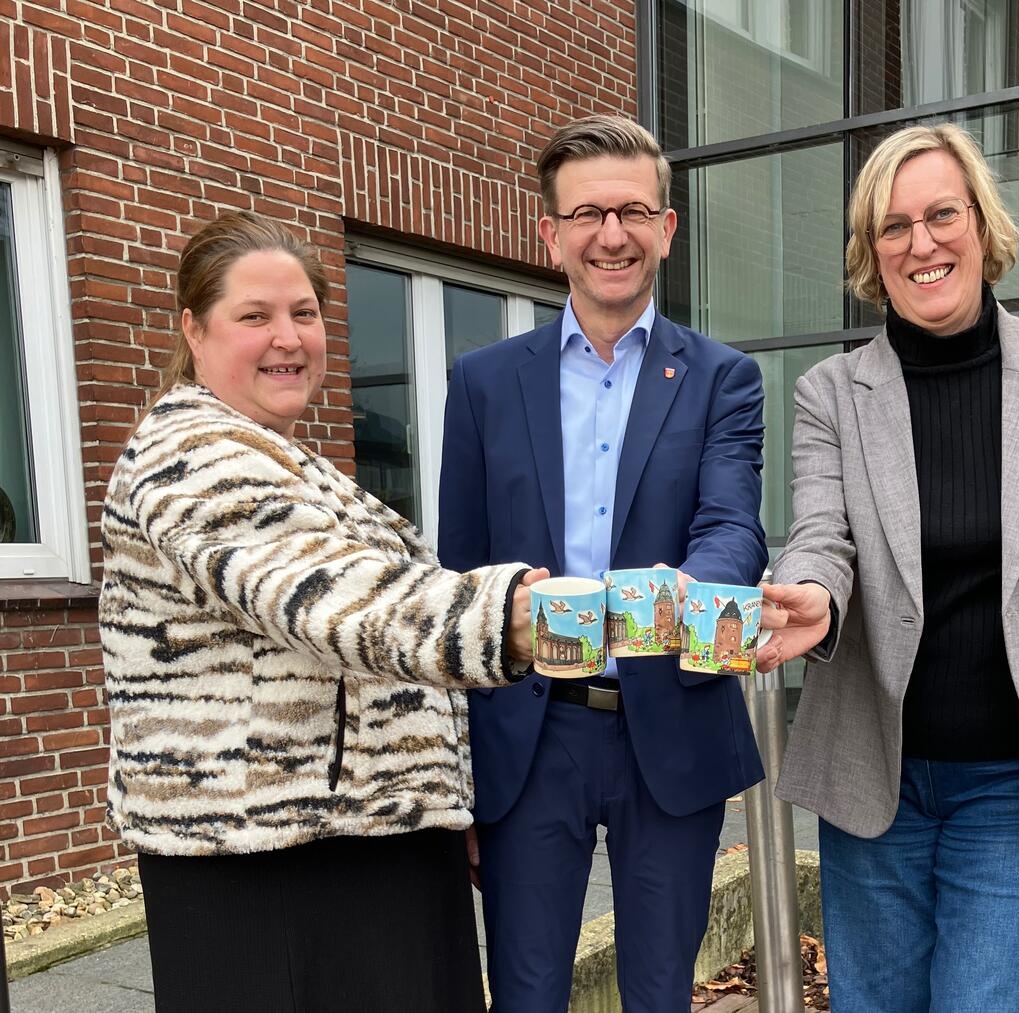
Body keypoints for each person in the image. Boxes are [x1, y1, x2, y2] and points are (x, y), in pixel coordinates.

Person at [756, 123, 1019, 1013]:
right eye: (893, 226)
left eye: (941, 214)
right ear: (872, 252)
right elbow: (821, 532)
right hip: (875, 776)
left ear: (981, 224)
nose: (922, 243)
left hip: (1018, 781)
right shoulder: (830, 393)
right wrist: (813, 594)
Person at [99, 209, 546, 1013]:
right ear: (194, 331)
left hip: (364, 844)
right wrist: (513, 614)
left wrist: (445, 790)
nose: (288, 337)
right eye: (255, 315)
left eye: (304, 312)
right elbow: (330, 597)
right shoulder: (188, 457)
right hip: (272, 866)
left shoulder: (282, 456)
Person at [439, 113, 767, 1012]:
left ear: (668, 227)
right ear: (551, 233)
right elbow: (458, 578)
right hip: (526, 736)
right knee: (525, 992)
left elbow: (733, 524)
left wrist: (696, 583)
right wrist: (454, 772)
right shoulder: (483, 383)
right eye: (587, 214)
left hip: (670, 724)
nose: (610, 234)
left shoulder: (722, 378)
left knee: (660, 993)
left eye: (632, 212)